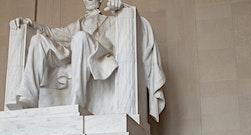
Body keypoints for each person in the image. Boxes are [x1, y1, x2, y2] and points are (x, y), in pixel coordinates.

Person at [10, 0, 165, 121]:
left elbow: (139, 26)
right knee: (38, 40)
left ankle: (77, 102)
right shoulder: (76, 25)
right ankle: (28, 99)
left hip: (100, 58)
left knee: (80, 37)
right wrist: (30, 24)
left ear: (100, 1)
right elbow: (52, 33)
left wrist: (121, 7)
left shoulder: (112, 21)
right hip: (74, 54)